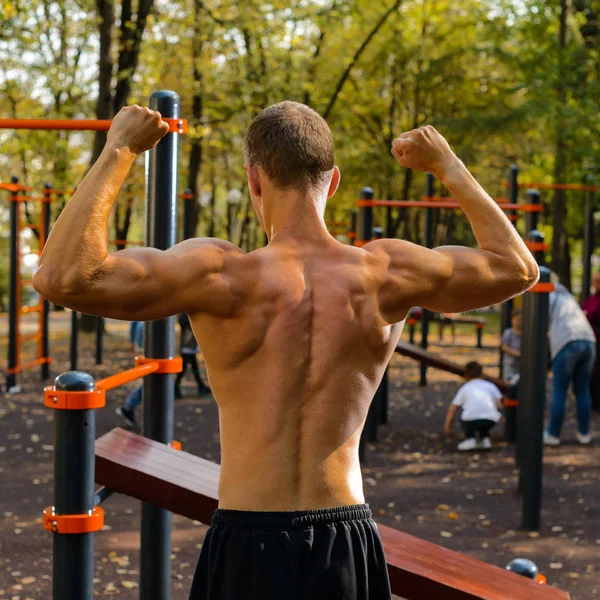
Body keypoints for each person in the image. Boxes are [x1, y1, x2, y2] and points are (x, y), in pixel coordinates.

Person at [33, 103, 538, 600]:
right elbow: (517, 269)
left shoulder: (219, 275)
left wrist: (120, 149)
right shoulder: (385, 273)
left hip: (247, 539)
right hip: (346, 537)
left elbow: (62, 278)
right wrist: (447, 166)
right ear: (333, 181)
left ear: (254, 180)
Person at [545, 277, 596, 446]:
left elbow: (540, 323)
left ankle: (553, 434)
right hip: (588, 340)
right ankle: (584, 433)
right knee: (582, 390)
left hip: (566, 342)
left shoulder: (547, 294)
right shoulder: (567, 296)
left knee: (560, 390)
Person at [443, 361, 503, 450]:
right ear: (482, 373)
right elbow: (499, 405)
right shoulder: (491, 386)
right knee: (485, 418)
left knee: (466, 415)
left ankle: (470, 438)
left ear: (466, 375)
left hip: (470, 420)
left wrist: (447, 426)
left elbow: (452, 409)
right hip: (490, 419)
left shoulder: (465, 388)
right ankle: (485, 438)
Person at [176, 312, 211, 398]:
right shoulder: (184, 315)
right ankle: (175, 388)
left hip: (189, 344)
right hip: (187, 344)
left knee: (191, 366)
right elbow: (184, 323)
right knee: (184, 368)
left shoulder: (185, 313)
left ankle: (200, 386)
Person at [117, 321, 144, 427]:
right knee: (153, 378)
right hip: (146, 335)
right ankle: (128, 405)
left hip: (141, 335)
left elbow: (134, 321)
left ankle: (129, 405)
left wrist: (133, 340)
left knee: (153, 377)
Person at [582, 271, 600, 410]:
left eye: (597, 280)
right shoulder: (591, 299)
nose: (594, 283)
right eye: (594, 280)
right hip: (590, 340)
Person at [500, 308, 522, 380]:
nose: (519, 322)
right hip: (510, 363)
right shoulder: (509, 333)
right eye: (517, 319)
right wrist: (517, 353)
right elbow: (504, 346)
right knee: (508, 381)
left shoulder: (525, 333)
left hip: (520, 364)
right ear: (512, 320)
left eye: (521, 319)